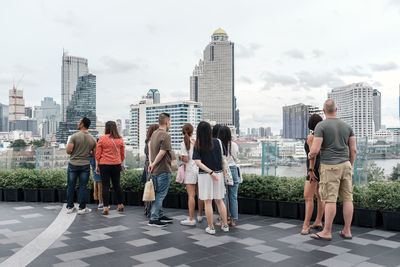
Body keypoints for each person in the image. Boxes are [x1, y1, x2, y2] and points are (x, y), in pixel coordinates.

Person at [309, 100, 357, 241]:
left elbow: (315, 150)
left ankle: (327, 232)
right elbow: (353, 150)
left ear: (324, 111)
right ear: (336, 109)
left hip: (330, 167)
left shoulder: (321, 126)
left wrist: (310, 155)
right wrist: (350, 165)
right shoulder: (347, 126)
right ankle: (347, 231)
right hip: (346, 165)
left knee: (330, 200)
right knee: (348, 198)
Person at [193, 121, 229, 235]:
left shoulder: (198, 144)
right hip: (218, 174)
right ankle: (225, 225)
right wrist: (214, 170)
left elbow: (197, 162)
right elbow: (224, 156)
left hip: (205, 175)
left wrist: (210, 172)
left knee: (207, 202)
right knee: (219, 201)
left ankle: (211, 227)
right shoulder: (218, 142)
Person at [66, 117, 97, 215]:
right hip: (85, 165)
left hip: (73, 164)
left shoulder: (74, 136)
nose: (78, 123)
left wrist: (75, 152)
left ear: (82, 124)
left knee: (71, 186)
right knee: (83, 187)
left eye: (79, 122)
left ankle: (70, 207)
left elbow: (68, 151)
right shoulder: (92, 139)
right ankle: (82, 208)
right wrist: (87, 154)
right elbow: (95, 154)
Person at [147, 113, 174, 227]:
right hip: (163, 169)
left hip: (154, 170)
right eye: (170, 122)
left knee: (157, 193)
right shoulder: (165, 135)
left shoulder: (154, 133)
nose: (170, 124)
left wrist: (151, 163)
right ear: (167, 122)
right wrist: (153, 163)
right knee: (160, 195)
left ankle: (160, 214)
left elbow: (149, 147)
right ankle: (154, 218)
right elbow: (162, 153)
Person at [301, 114, 325, 235]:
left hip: (314, 169)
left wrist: (310, 170)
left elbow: (312, 155)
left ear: (310, 124)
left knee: (308, 196)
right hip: (323, 169)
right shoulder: (323, 136)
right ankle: (318, 221)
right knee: (320, 196)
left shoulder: (311, 136)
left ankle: (306, 225)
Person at [95, 121, 125, 215]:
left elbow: (98, 154)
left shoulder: (102, 138)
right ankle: (120, 205)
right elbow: (122, 154)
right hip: (116, 164)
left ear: (106, 128)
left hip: (104, 165)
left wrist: (97, 166)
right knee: (117, 185)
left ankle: (105, 207)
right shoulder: (120, 139)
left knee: (105, 186)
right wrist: (120, 162)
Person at [179, 123, 205, 226]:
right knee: (200, 194)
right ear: (192, 131)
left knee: (191, 195)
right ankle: (199, 215)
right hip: (199, 169)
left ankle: (191, 218)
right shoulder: (197, 142)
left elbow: (186, 159)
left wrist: (180, 157)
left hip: (190, 170)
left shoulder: (183, 143)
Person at [217, 126, 239, 227]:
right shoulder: (234, 144)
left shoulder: (219, 144)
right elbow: (236, 157)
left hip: (223, 171)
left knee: (223, 196)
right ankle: (233, 220)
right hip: (233, 169)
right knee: (233, 196)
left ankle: (224, 220)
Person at [142, 124, 159, 218]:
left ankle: (147, 209)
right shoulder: (152, 142)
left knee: (148, 187)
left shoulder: (147, 141)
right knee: (152, 187)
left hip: (147, 165)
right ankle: (150, 210)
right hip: (152, 166)